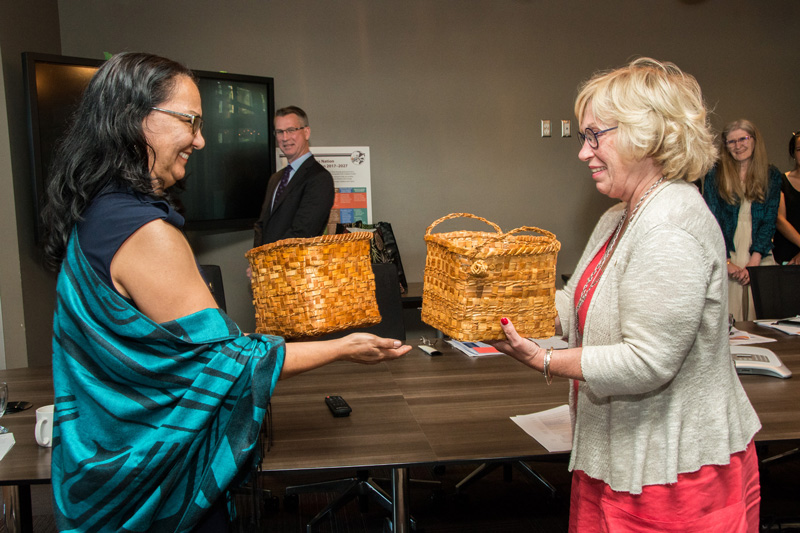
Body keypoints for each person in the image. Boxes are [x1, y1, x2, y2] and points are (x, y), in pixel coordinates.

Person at [41, 52, 410, 533]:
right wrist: (343, 347)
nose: (201, 139)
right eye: (190, 121)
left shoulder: (94, 212)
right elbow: (233, 363)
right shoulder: (144, 233)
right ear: (135, 120)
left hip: (98, 462)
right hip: (156, 487)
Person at [490, 58, 761, 532]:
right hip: (623, 458)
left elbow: (646, 361)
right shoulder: (619, 217)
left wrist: (545, 361)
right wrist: (504, 311)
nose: (583, 152)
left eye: (595, 135)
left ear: (646, 134)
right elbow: (576, 302)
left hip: (672, 474)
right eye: (583, 137)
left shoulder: (670, 225)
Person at [701, 119, 782, 320]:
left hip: (759, 252)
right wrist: (726, 261)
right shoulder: (715, 173)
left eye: (743, 139)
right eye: (731, 142)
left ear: (754, 140)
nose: (738, 146)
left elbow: (770, 219)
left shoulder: (771, 174)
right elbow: (712, 220)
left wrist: (755, 260)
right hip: (727, 252)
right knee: (729, 316)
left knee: (763, 316)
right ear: (725, 146)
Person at [253, 106, 335, 247]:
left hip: (295, 266)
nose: (285, 138)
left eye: (291, 130)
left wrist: (268, 261)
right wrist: (256, 261)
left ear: (306, 132)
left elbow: (302, 233)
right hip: (266, 265)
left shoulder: (320, 178)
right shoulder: (276, 179)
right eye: (279, 132)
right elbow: (261, 225)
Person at [773, 131, 800, 264]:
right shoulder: (781, 180)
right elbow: (780, 220)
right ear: (793, 153)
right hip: (786, 254)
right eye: (799, 149)